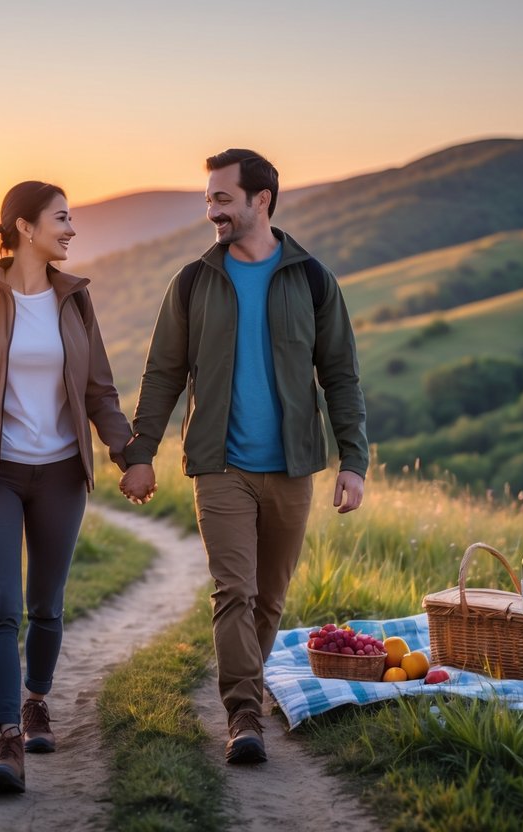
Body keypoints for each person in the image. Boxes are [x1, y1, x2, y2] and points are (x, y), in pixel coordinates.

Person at [119, 149, 368, 764]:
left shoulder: (312, 279)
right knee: (235, 592)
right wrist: (140, 453)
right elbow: (162, 373)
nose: (212, 211)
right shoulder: (194, 282)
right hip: (219, 465)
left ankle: (245, 691)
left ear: (262, 199)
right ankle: (244, 717)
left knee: (269, 600)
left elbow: (341, 376)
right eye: (208, 199)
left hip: (291, 469)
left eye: (222, 199)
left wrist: (353, 461)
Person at [0, 181, 138, 793]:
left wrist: (127, 455)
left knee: (46, 605)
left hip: (62, 474)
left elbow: (100, 390)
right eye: (62, 218)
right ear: (24, 227)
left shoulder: (74, 301)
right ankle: (7, 738)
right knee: (2, 608)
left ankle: (37, 701)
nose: (71, 230)